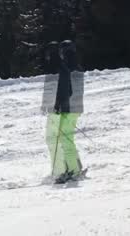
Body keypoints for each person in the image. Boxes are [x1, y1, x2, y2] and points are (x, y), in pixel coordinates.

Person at [42, 40, 84, 183]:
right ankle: (73, 168)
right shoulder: (71, 65)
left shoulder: (59, 67)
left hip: (62, 109)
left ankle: (63, 171)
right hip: (71, 108)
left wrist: (57, 105)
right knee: (65, 139)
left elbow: (62, 89)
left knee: (54, 139)